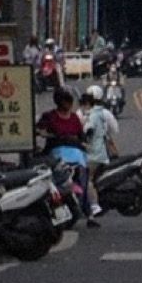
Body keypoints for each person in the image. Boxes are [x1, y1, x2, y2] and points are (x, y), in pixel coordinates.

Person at [38, 84, 92, 219]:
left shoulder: (74, 118)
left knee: (85, 178)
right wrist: (49, 134)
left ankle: (88, 212)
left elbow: (82, 137)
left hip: (77, 155)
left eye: (69, 100)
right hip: (56, 154)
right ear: (59, 101)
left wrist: (84, 144)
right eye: (65, 100)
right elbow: (39, 130)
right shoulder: (49, 116)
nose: (67, 104)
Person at [79, 84, 123, 224]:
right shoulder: (105, 113)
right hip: (103, 151)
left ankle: (94, 205)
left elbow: (85, 131)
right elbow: (115, 130)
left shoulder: (84, 114)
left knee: (88, 179)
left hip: (92, 153)